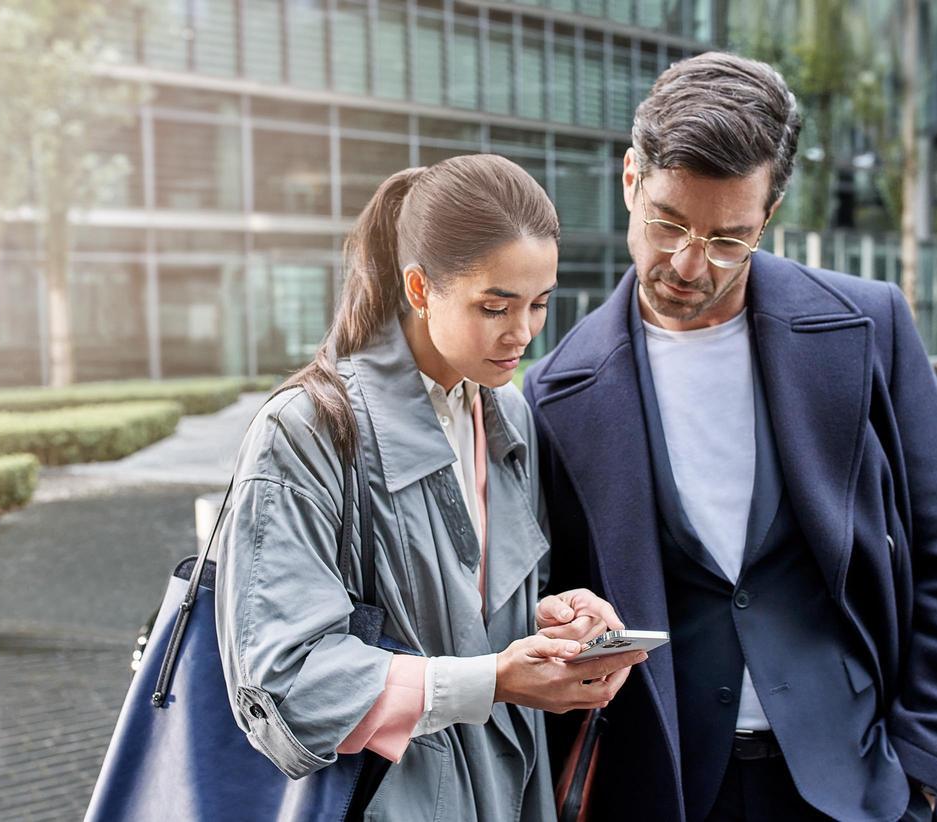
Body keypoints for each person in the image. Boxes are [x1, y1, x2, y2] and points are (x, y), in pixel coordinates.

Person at [524, 53, 937, 822]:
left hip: (860, 785)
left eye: (727, 239)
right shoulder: (553, 392)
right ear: (630, 178)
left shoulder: (870, 326)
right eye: (667, 223)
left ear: (767, 217)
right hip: (667, 788)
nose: (687, 263)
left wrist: (927, 767)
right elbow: (552, 598)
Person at [214, 154, 645, 821]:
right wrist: (494, 680)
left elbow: (452, 615)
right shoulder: (305, 431)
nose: (524, 333)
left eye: (539, 303)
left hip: (505, 793)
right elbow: (284, 679)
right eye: (495, 306)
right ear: (419, 289)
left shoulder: (504, 412)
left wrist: (553, 621)